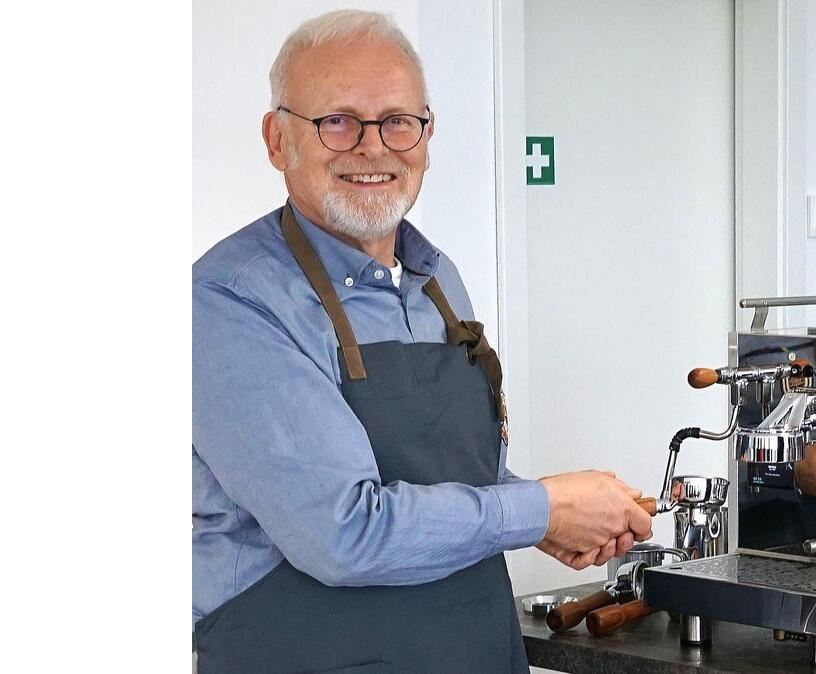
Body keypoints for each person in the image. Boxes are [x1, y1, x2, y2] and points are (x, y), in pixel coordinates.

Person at [192, 10, 652, 673]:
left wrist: (562, 520)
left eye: (398, 121)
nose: (373, 147)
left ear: (426, 135)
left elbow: (469, 483)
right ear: (276, 139)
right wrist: (542, 508)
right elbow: (343, 533)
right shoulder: (230, 300)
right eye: (338, 121)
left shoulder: (438, 282)